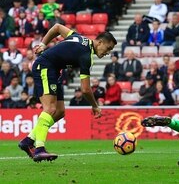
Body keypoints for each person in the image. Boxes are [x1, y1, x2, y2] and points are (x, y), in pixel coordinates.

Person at [18, 23, 117, 162]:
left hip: (53, 70)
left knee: (59, 112)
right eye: (108, 48)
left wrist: (43, 44)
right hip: (45, 67)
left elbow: (58, 27)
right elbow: (85, 89)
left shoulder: (78, 38)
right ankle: (39, 148)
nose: (108, 52)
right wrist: (95, 106)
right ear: (100, 42)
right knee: (50, 108)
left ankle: (28, 141)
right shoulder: (86, 56)